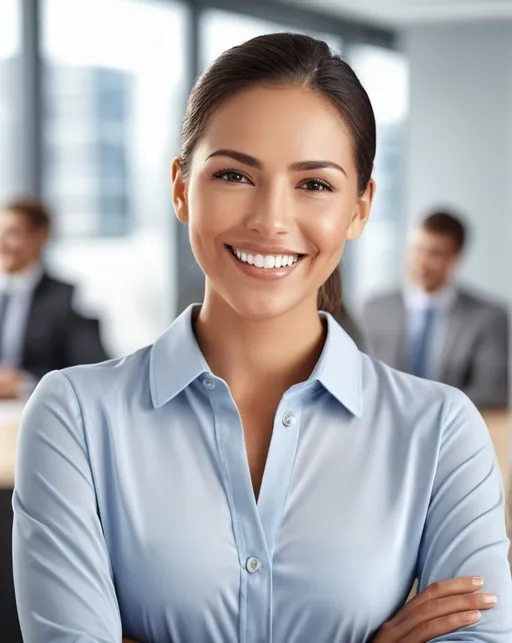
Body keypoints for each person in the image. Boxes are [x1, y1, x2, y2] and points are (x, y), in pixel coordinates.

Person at [12, 34, 511, 643]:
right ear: (179, 188)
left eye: (316, 185)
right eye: (233, 174)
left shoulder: (440, 431)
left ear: (360, 209)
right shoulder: (75, 417)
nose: (271, 220)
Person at [362, 211, 509, 410]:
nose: (421, 262)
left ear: (456, 258)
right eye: (417, 250)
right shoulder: (374, 310)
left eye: (435, 253)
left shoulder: (489, 318)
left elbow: (492, 393)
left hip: (455, 431)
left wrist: (428, 414)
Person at [0, 197, 109, 398]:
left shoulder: (69, 297)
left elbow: (92, 368)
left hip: (38, 412)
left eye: (12, 233)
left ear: (39, 236)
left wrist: (25, 385)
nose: (2, 243)